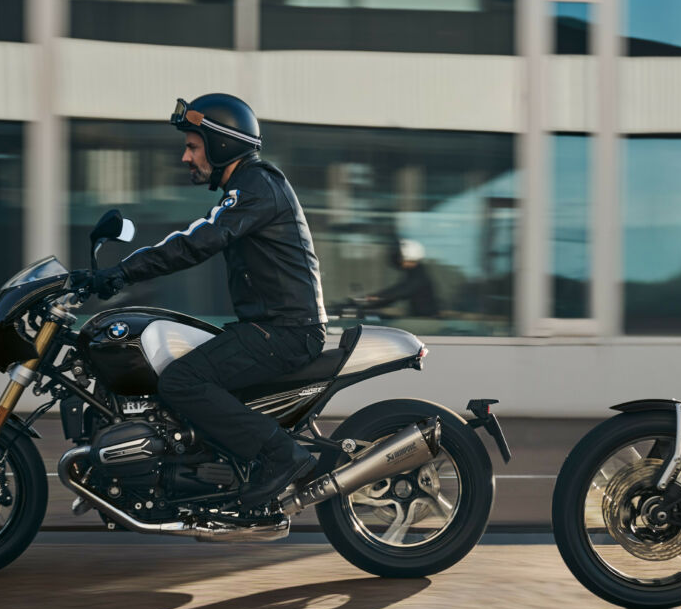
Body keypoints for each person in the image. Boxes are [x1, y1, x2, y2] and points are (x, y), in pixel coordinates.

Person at [74, 93, 326, 512]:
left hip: (285, 332)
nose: (186, 157)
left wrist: (120, 273)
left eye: (193, 146)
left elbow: (197, 242)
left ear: (221, 144)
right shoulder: (249, 187)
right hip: (271, 327)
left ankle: (283, 457)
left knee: (181, 381)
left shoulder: (257, 185)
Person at [359, 239, 440, 318]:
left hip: (426, 321)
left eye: (398, 256)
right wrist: (371, 304)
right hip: (420, 319)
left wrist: (374, 298)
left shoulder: (418, 276)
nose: (395, 259)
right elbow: (395, 295)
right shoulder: (414, 272)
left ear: (406, 257)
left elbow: (400, 292)